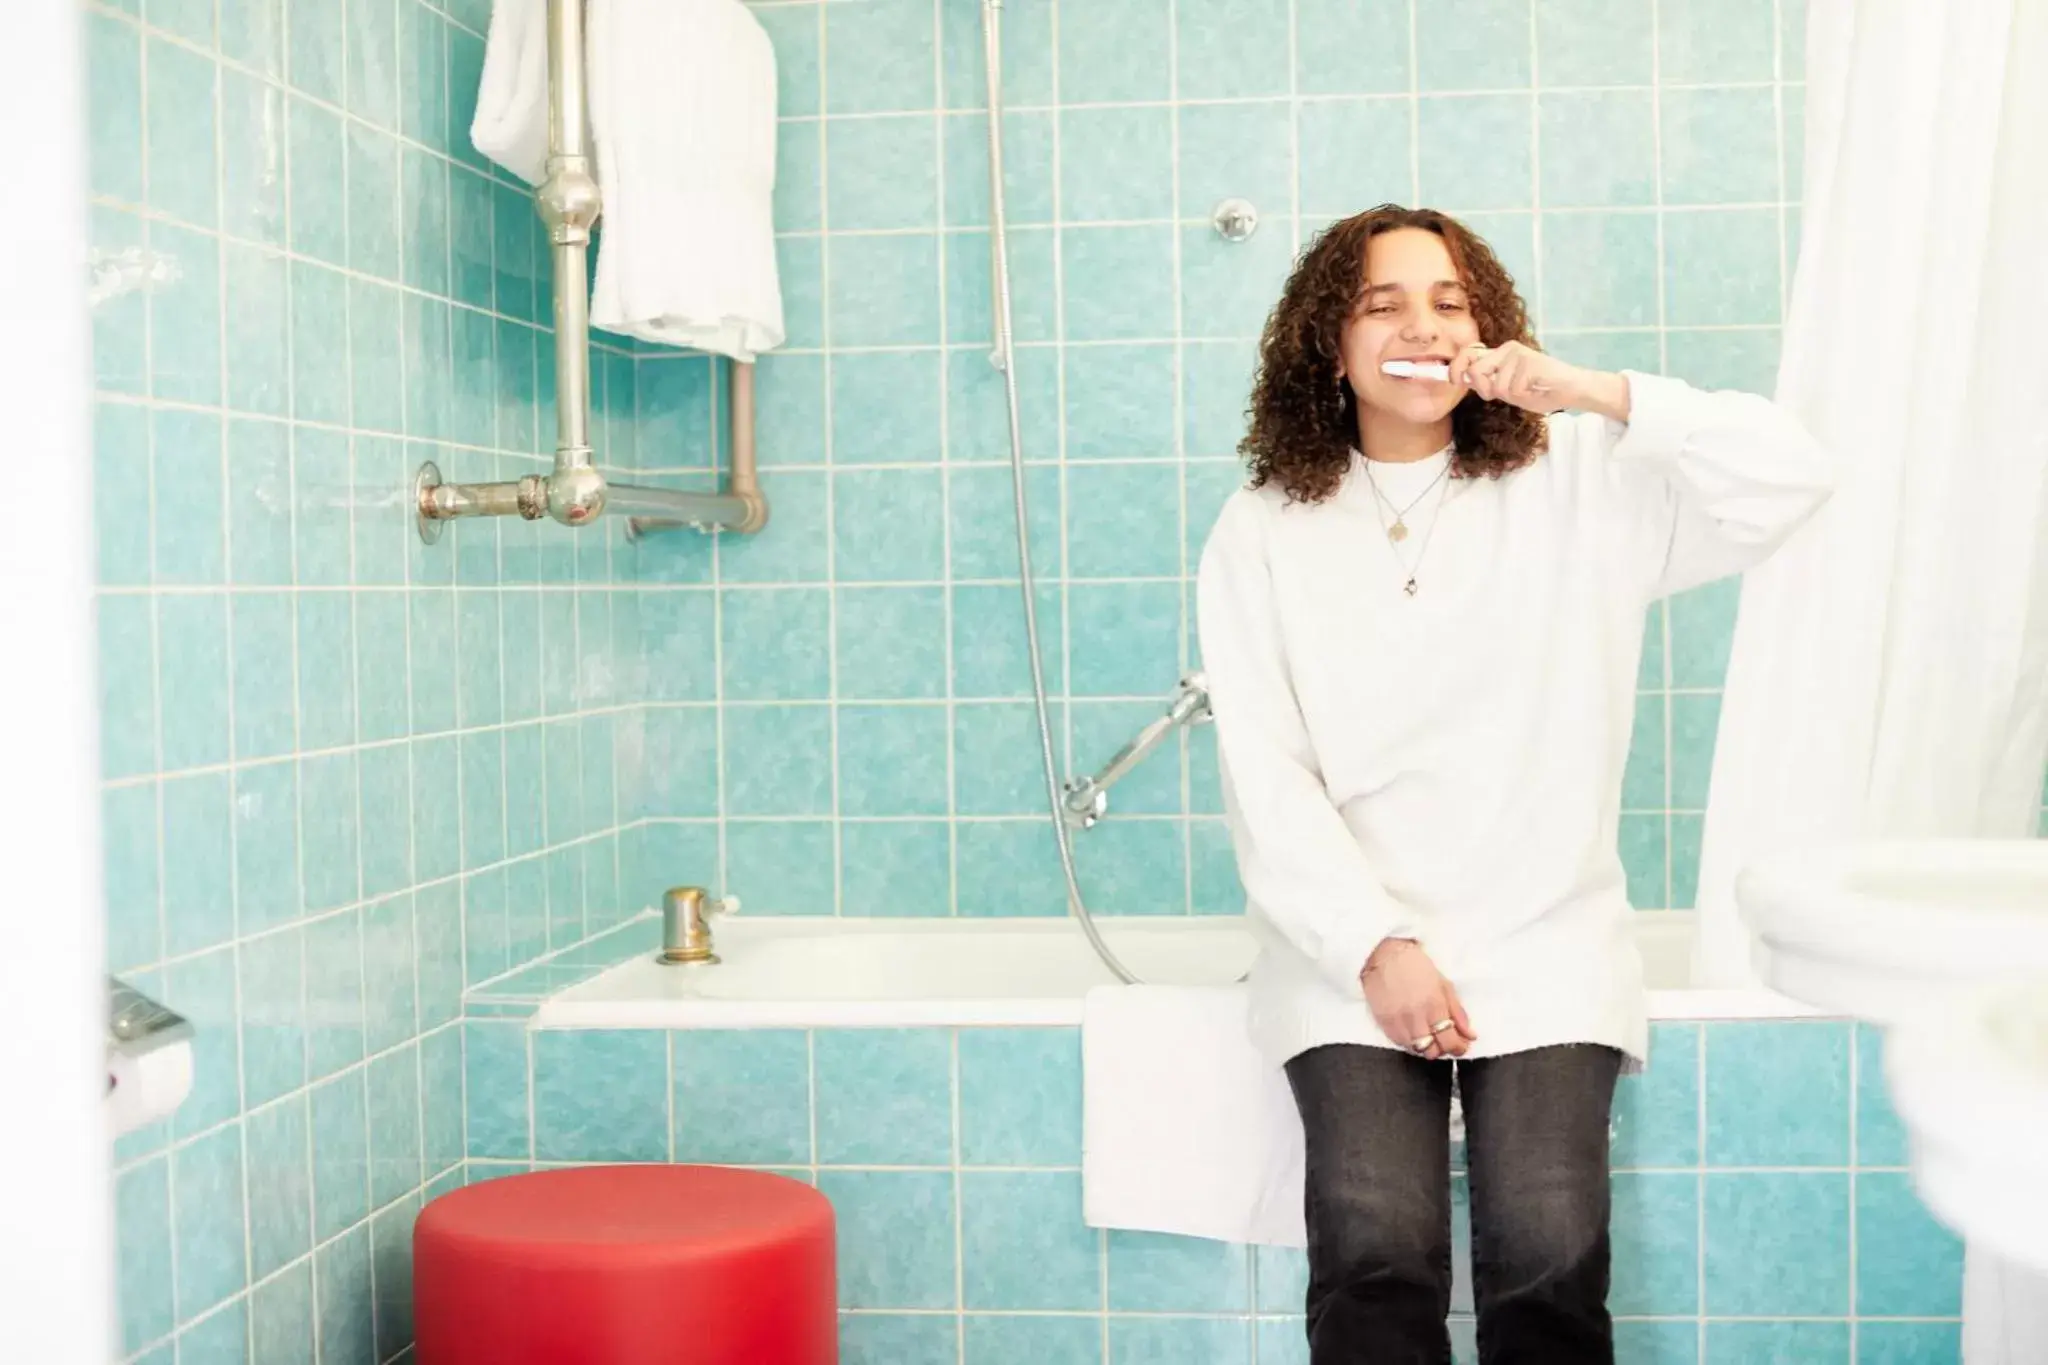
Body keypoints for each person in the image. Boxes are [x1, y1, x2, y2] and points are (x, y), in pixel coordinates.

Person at [1195, 204, 1834, 1365]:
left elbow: (1792, 477)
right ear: (1324, 345)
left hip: (1544, 943)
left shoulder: (1580, 480)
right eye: (1380, 304)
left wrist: (1589, 391)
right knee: (1370, 1255)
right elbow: (1263, 767)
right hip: (1346, 956)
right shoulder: (1264, 526)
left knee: (1546, 1266)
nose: (1422, 329)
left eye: (1450, 303)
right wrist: (1370, 945)